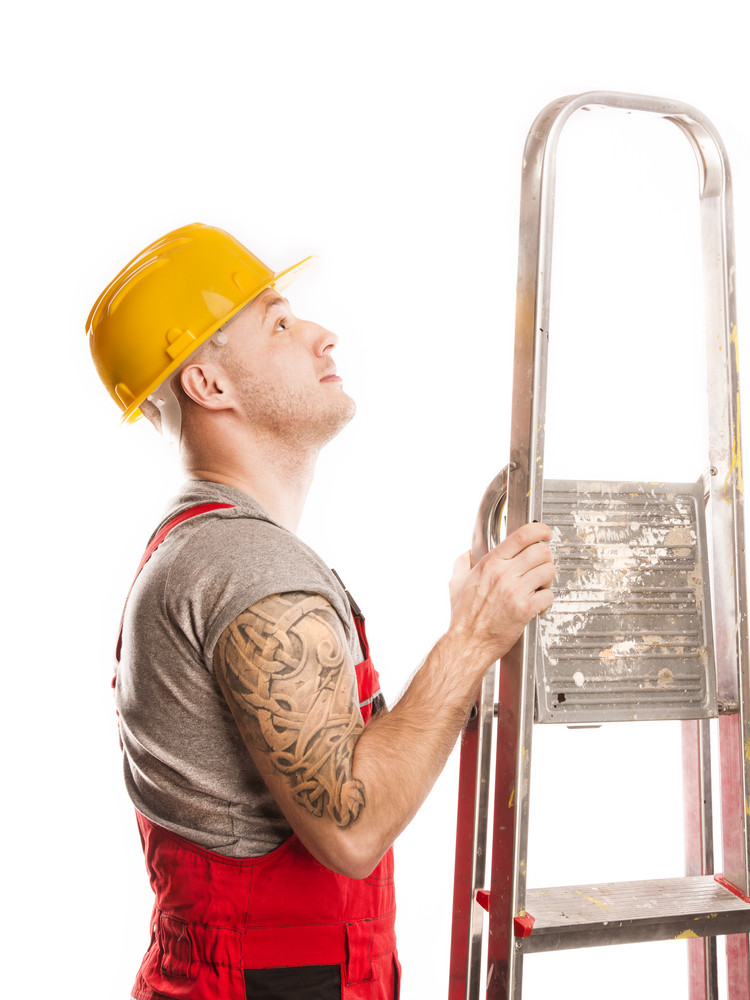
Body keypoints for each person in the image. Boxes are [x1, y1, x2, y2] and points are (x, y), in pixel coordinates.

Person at [87, 223, 555, 1000]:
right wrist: (472, 638)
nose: (321, 334)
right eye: (278, 323)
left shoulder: (209, 551)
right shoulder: (241, 564)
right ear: (209, 385)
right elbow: (352, 828)